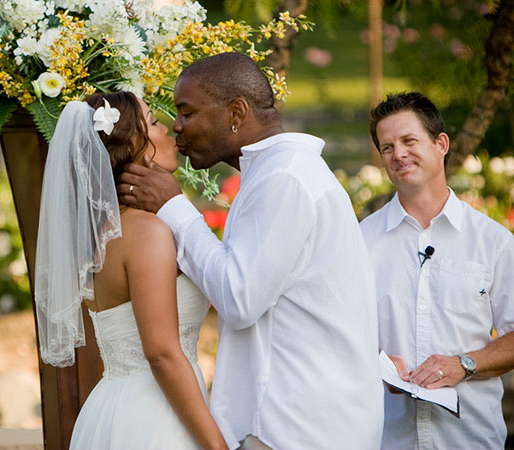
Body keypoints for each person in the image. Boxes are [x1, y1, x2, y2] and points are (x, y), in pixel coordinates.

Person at [119, 52, 383, 449]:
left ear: (236, 114)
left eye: (186, 112)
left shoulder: (285, 178)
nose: (177, 126)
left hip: (299, 428)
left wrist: (174, 207)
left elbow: (239, 298)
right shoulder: (275, 172)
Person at [34, 92, 226, 449]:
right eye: (153, 122)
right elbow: (162, 354)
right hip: (154, 419)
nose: (168, 128)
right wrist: (218, 447)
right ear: (133, 145)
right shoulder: (145, 232)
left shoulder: (107, 232)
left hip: (111, 409)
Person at [361, 92, 514, 449]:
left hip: (471, 440)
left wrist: (465, 363)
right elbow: (336, 334)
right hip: (387, 440)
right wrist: (373, 364)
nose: (398, 154)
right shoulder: (359, 241)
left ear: (441, 143)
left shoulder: (492, 241)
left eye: (409, 140)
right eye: (387, 147)